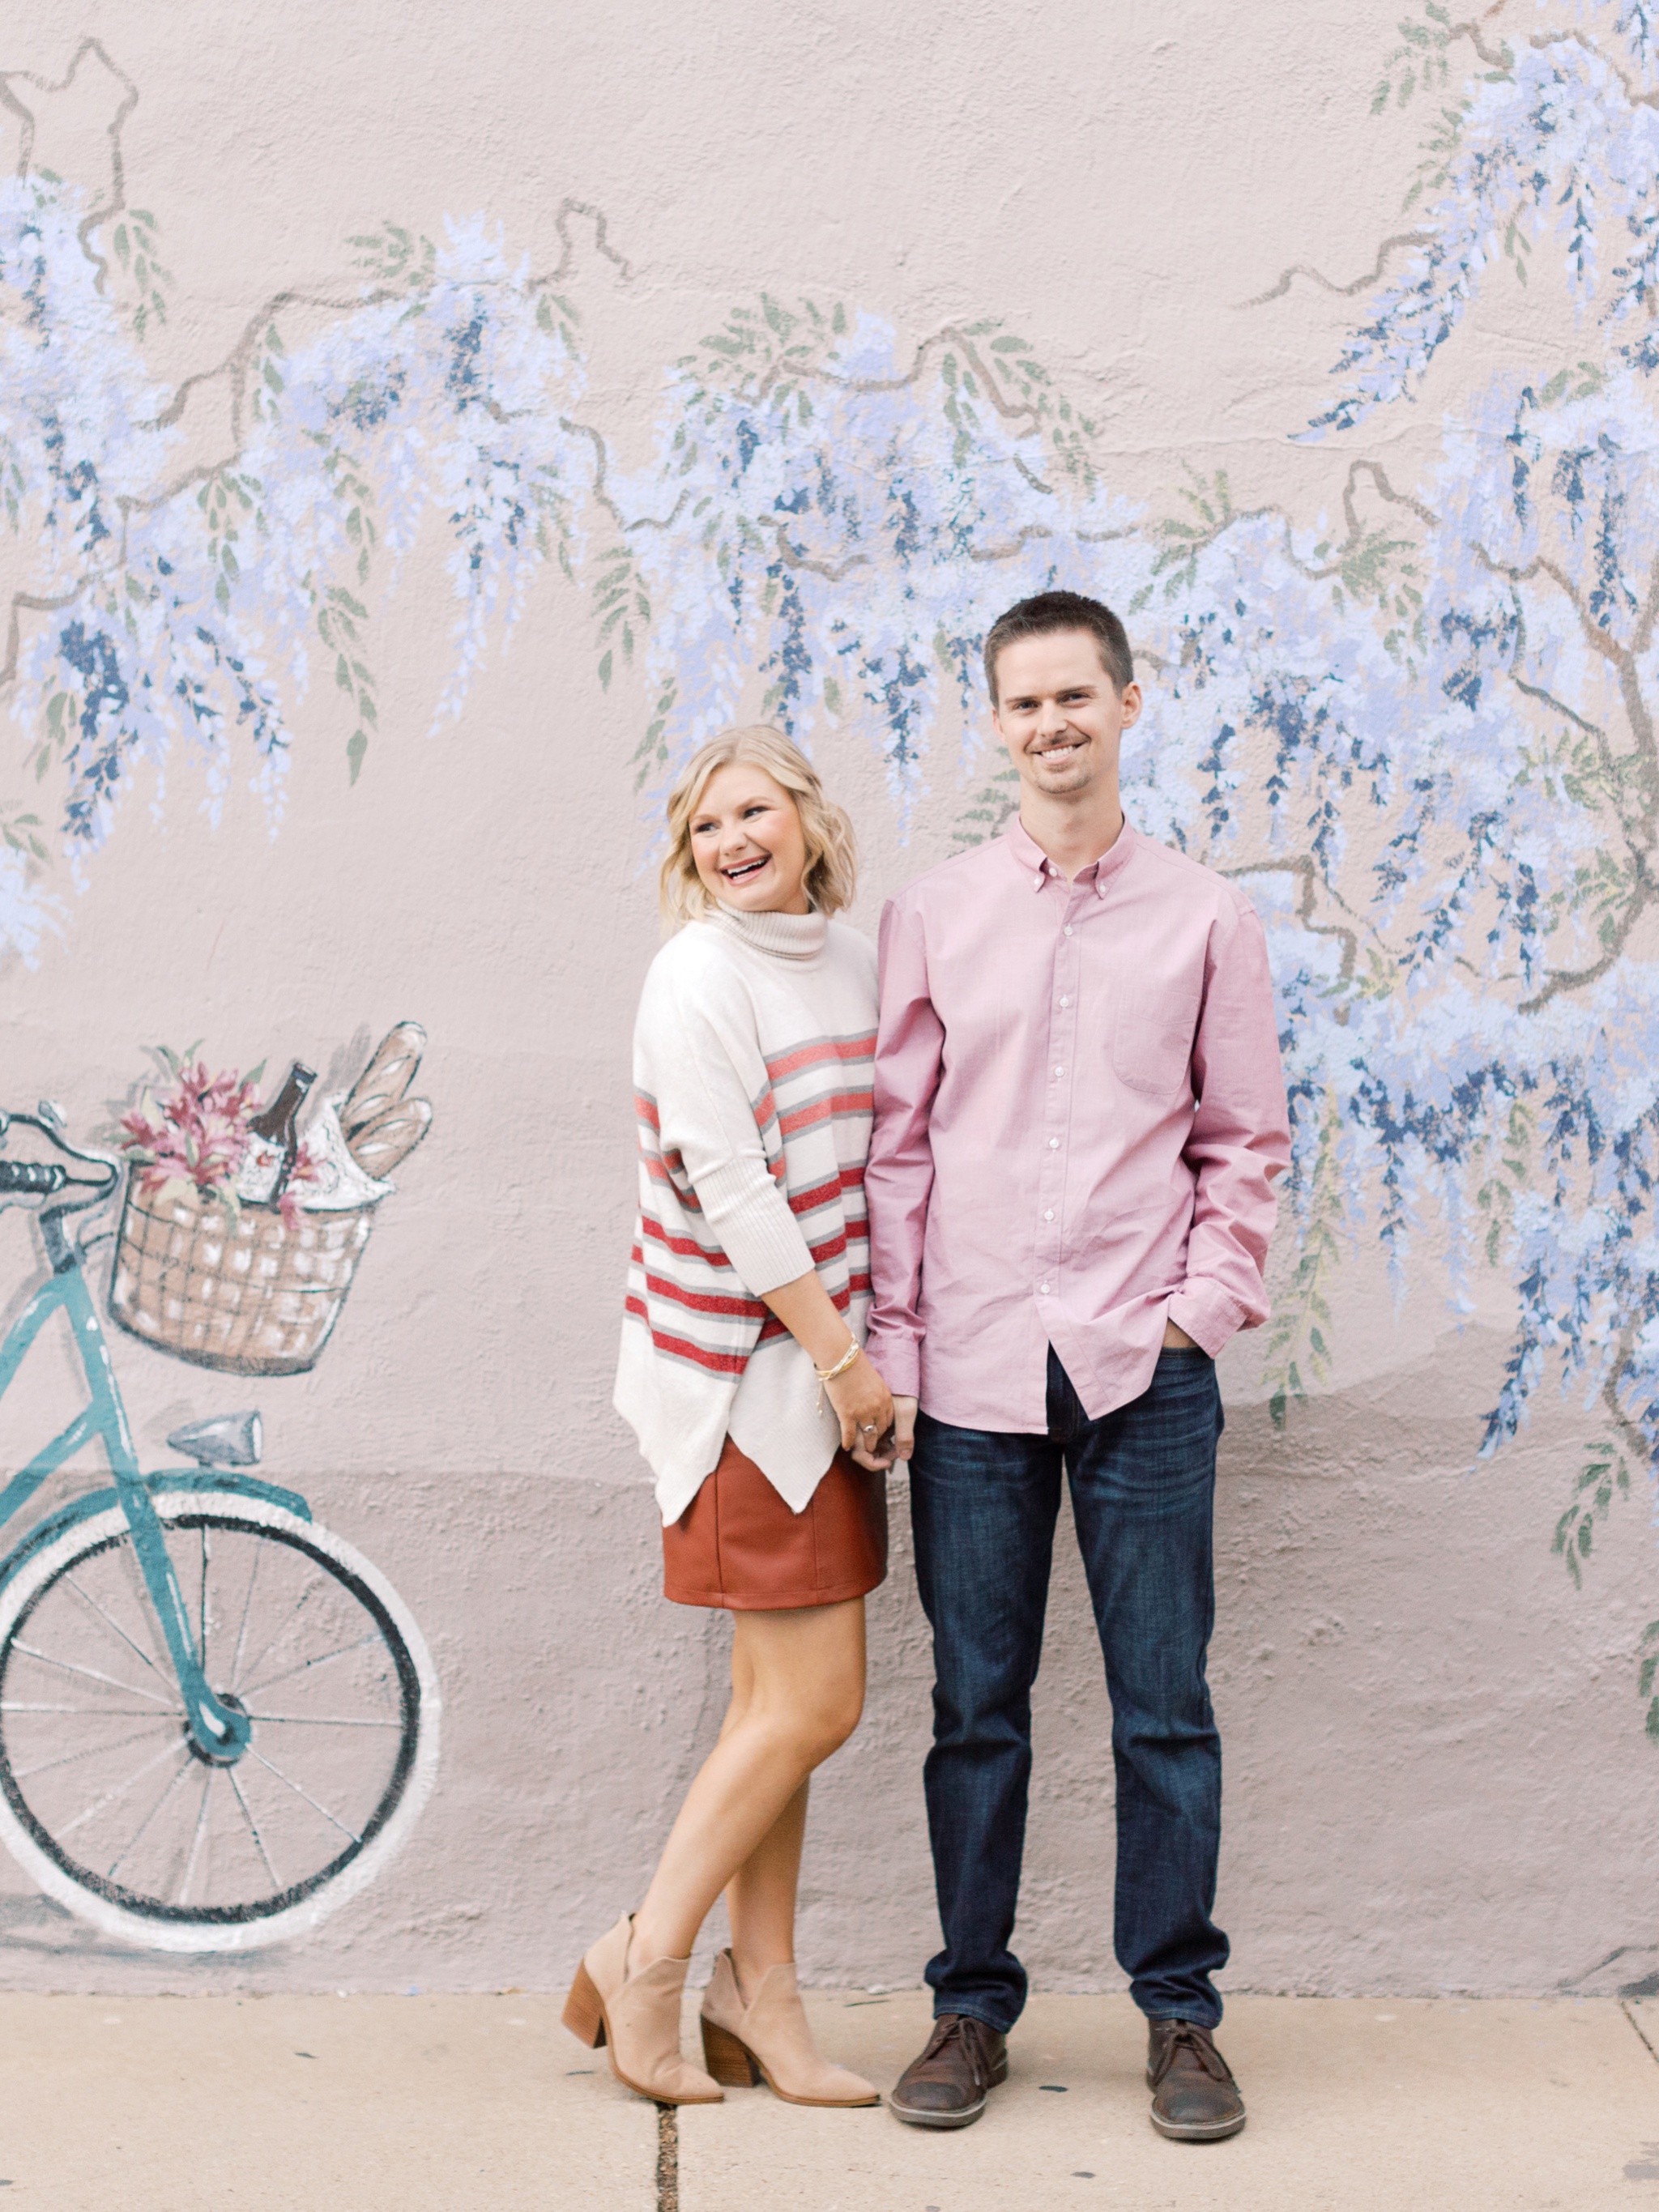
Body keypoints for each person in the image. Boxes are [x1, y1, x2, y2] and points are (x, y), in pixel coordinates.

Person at [866, 590, 1291, 2140]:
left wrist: (1199, 1310)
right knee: (976, 1706)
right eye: (1024, 703)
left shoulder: (1205, 917)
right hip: (973, 1367)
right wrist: (897, 1350)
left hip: (1142, 1368)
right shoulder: (933, 915)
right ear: (996, 724)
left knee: (1163, 1705)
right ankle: (969, 2009)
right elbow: (897, 1151)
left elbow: (1245, 1137)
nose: (1051, 725)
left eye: (1074, 697)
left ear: (1127, 704)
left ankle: (1180, 2018)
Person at [565, 725, 896, 2111]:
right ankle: (643, 1958)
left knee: (779, 1718)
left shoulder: (852, 959)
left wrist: (858, 1364)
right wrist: (843, 1362)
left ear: (809, 821)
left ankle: (761, 1998)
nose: (731, 842)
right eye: (707, 827)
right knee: (817, 1703)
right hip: (752, 1385)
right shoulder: (697, 974)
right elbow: (732, 1187)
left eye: (754, 813)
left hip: (828, 1382)